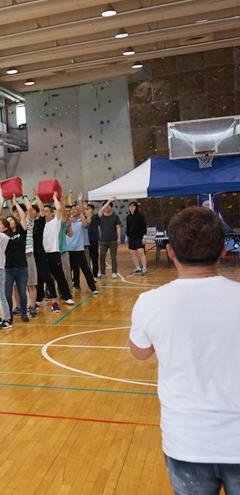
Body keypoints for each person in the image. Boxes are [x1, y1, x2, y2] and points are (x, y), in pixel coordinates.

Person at [129, 206, 240, 494]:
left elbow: (140, 351)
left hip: (187, 441)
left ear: (171, 253)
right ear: (224, 249)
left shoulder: (150, 302)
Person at [66, 195, 99, 295]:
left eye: (75, 209)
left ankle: (93, 288)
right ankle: (66, 290)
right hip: (68, 249)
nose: (73, 211)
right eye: (72, 209)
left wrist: (80, 205)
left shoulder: (81, 221)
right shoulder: (67, 220)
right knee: (67, 271)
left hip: (78, 249)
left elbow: (85, 225)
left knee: (85, 269)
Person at [98, 196, 122, 279]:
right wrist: (98, 238)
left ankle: (114, 272)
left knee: (113, 257)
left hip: (113, 240)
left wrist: (119, 238)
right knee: (101, 256)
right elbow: (99, 228)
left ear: (111, 207)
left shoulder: (115, 217)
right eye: (105, 206)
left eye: (109, 206)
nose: (107, 208)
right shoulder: (101, 217)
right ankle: (103, 272)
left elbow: (118, 227)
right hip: (103, 240)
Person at [126, 201, 148, 275]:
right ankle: (138, 268)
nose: (131, 207)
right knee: (132, 253)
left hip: (139, 237)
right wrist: (126, 236)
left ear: (136, 207)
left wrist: (144, 237)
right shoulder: (128, 217)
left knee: (141, 252)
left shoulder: (140, 216)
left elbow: (144, 227)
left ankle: (144, 268)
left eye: (133, 206)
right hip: (131, 237)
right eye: (130, 206)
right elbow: (128, 228)